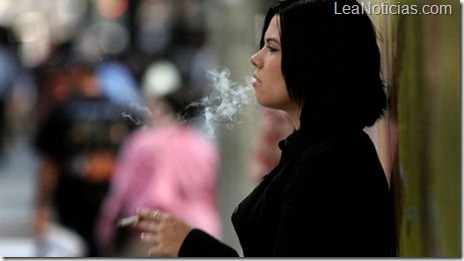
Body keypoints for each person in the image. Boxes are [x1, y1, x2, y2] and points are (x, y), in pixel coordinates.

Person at [130, 0, 395, 257]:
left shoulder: (326, 164)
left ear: (312, 59)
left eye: (272, 47)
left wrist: (192, 246)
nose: (255, 58)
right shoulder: (320, 150)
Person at [95, 61, 221, 257]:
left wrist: (106, 230)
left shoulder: (141, 143)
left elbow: (122, 193)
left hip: (153, 238)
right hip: (201, 237)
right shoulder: (202, 146)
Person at [33, 60, 137, 257]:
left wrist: (41, 207)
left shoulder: (62, 112)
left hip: (72, 201)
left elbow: (49, 165)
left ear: (77, 76)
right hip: (113, 202)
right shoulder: (123, 112)